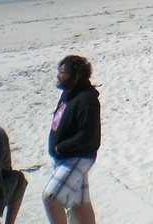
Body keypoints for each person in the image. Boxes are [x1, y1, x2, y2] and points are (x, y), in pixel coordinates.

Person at [43, 55, 101, 224]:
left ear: (75, 76)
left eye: (63, 72)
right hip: (65, 158)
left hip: (78, 158)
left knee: (50, 197)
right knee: (79, 204)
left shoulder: (87, 99)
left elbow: (89, 136)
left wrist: (60, 148)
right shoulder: (68, 94)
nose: (58, 76)